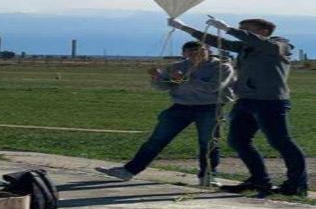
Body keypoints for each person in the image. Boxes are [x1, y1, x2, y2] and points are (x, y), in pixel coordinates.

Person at [168, 16, 307, 197]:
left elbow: (266, 46)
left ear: (263, 32)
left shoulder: (280, 45)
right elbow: (219, 42)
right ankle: (259, 180)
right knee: (238, 141)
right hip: (246, 101)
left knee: (281, 142)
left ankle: (296, 185)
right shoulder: (246, 47)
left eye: (245, 30)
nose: (240, 34)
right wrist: (185, 28)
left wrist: (229, 29)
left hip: (270, 102)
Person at [96, 41, 235, 185]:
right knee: (156, 140)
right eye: (191, 52)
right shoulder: (177, 66)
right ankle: (128, 171)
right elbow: (163, 86)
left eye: (200, 51)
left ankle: (208, 177)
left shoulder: (222, 67)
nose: (196, 55)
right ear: (184, 54)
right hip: (181, 107)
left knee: (208, 143)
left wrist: (184, 80)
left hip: (209, 108)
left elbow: (213, 87)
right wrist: (156, 77)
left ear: (208, 50)